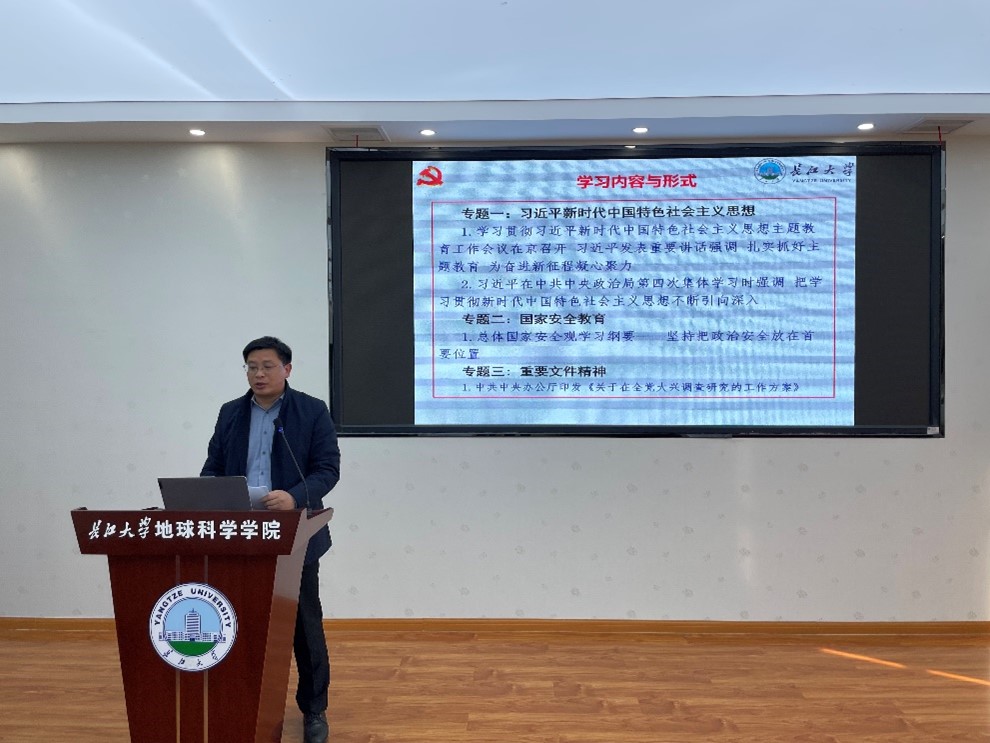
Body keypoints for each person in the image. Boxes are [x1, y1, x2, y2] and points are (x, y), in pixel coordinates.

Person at [201, 336, 339, 743]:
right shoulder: (231, 412)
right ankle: (242, 703)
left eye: (267, 366)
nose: (258, 374)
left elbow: (327, 470)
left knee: (303, 625)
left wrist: (294, 496)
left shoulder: (311, 411)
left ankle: (314, 710)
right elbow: (212, 467)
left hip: (294, 531)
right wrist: (211, 494)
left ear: (287, 369)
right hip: (240, 533)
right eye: (251, 367)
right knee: (238, 620)